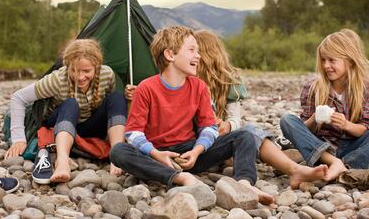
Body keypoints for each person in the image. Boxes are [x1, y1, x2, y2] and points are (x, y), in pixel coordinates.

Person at [112, 26, 274, 205]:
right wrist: (157, 153)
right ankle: (179, 178)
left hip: (190, 152)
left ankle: (244, 183)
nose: (198, 55)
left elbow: (208, 127)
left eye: (197, 51)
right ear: (170, 55)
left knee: (244, 136)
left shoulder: (199, 87)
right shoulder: (146, 88)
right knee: (118, 151)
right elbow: (133, 132)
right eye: (191, 50)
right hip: (157, 155)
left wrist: (196, 151)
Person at [194, 30, 328, 189]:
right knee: (250, 132)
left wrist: (228, 126)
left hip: (223, 137)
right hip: (200, 144)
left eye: (195, 51)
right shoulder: (187, 82)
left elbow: (235, 118)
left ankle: (290, 166)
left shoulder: (228, 81)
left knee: (249, 131)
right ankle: (283, 160)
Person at [280, 29, 369, 181]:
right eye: (323, 60)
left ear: (349, 61)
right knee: (287, 120)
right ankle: (334, 163)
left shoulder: (367, 90)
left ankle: (350, 163)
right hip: (321, 146)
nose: (326, 66)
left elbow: (364, 129)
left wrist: (346, 125)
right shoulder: (312, 87)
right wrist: (314, 119)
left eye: (332, 60)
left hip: (353, 147)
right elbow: (303, 130)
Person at [5, 39, 126, 183]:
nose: (80, 77)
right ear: (67, 66)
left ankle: (117, 155)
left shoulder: (107, 74)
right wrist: (18, 138)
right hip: (60, 124)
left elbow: (110, 106)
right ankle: (62, 162)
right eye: (74, 70)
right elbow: (18, 98)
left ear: (97, 66)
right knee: (70, 103)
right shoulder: (57, 79)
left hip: (88, 127)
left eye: (87, 71)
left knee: (118, 97)